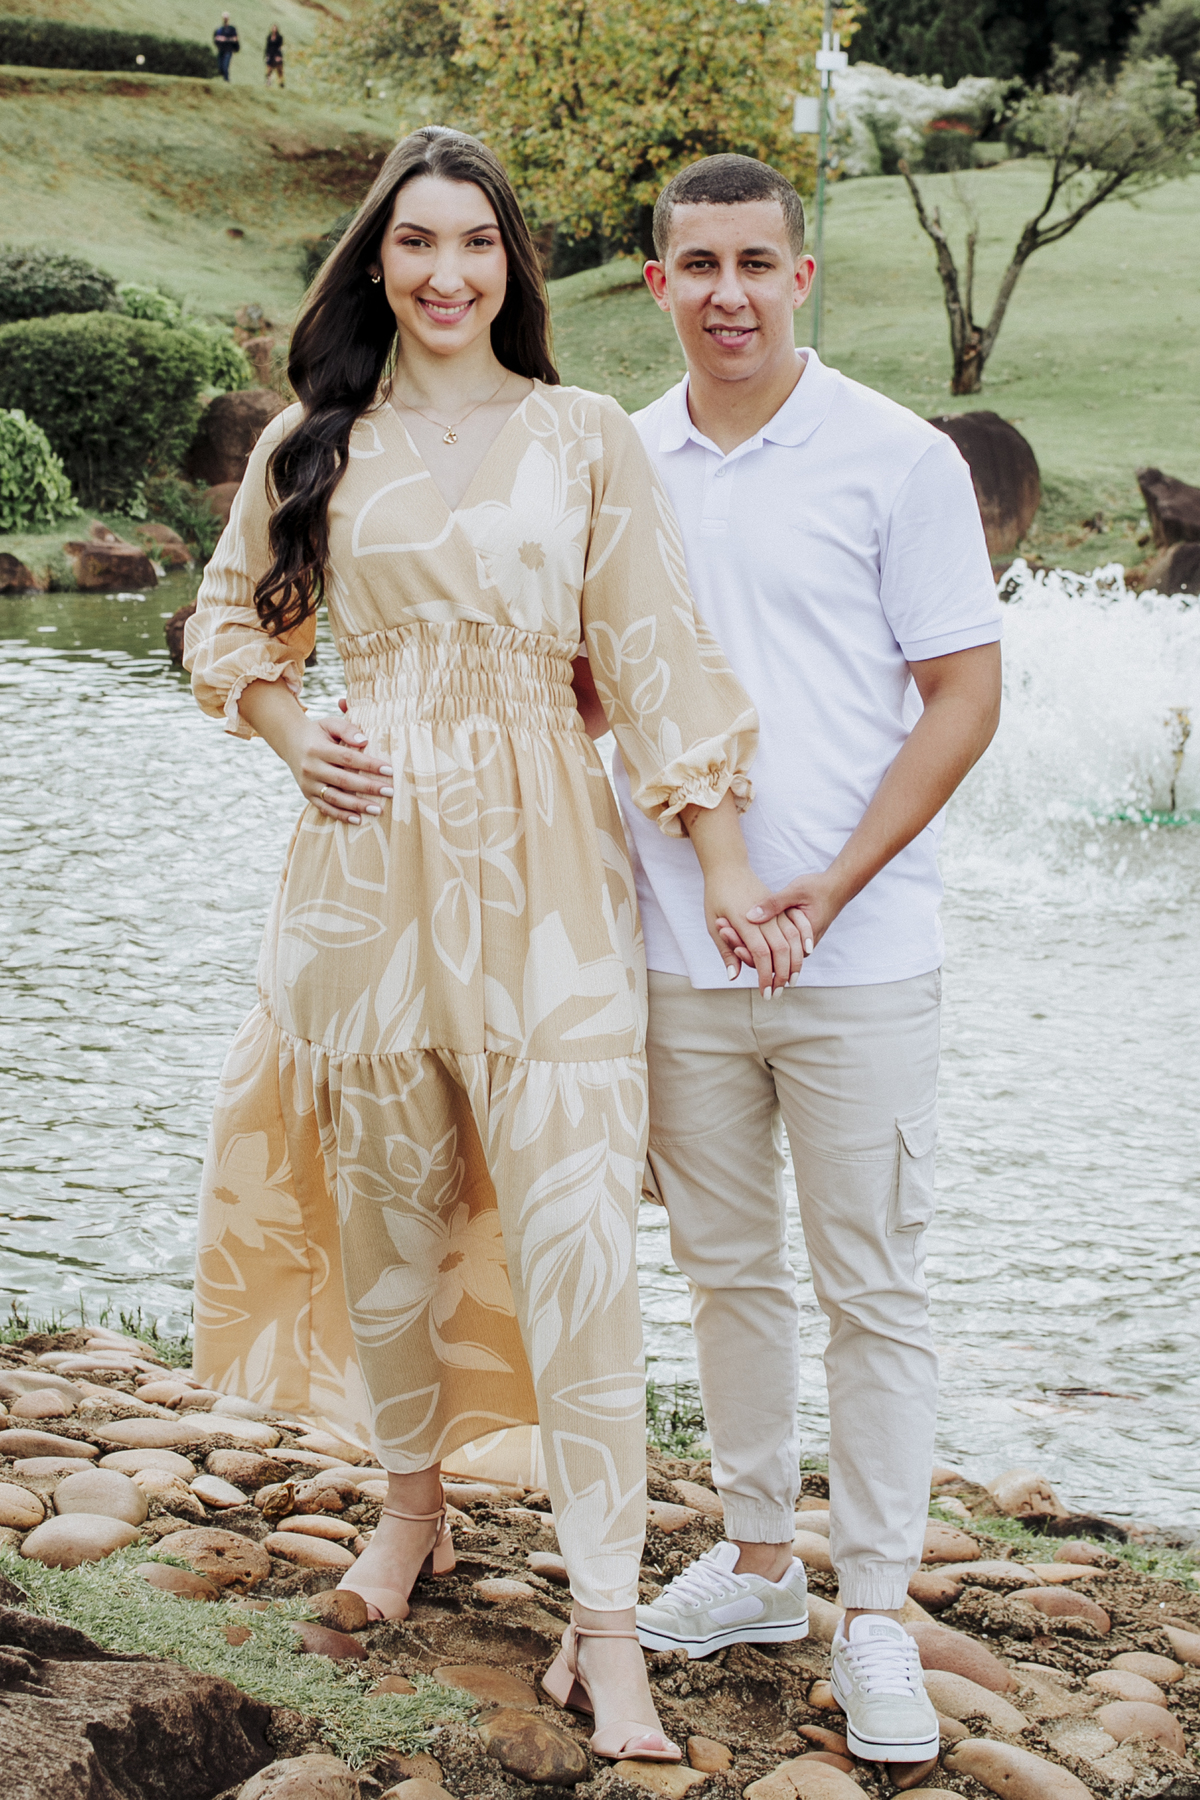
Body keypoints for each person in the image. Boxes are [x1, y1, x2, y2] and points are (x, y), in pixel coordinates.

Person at [184, 127, 803, 1763]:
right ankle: (413, 1511)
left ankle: (606, 1626)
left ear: (513, 265)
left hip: (552, 882)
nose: (446, 272)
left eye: (475, 243)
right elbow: (231, 621)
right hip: (363, 877)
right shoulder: (315, 440)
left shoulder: (583, 435)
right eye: (416, 243)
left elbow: (657, 659)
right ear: (376, 263)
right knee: (387, 1214)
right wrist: (289, 734)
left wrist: (725, 869)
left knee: (581, 1235)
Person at [575, 154, 1002, 1764]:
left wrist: (831, 883)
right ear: (658, 282)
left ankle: (877, 1608)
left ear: (801, 276)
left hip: (862, 951)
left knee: (873, 1284)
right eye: (699, 265)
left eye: (757, 262)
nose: (730, 294)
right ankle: (757, 1564)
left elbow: (965, 693)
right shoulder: (621, 461)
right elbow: (591, 689)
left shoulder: (897, 458)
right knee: (727, 1272)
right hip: (679, 946)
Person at [213, 11, 239, 80]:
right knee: (220, 67)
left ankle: (226, 81)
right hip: (221, 50)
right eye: (224, 18)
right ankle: (224, 80)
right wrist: (218, 40)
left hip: (228, 50)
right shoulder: (219, 29)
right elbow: (215, 38)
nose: (225, 19)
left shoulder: (232, 29)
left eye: (226, 18)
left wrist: (225, 39)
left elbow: (235, 39)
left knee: (225, 67)